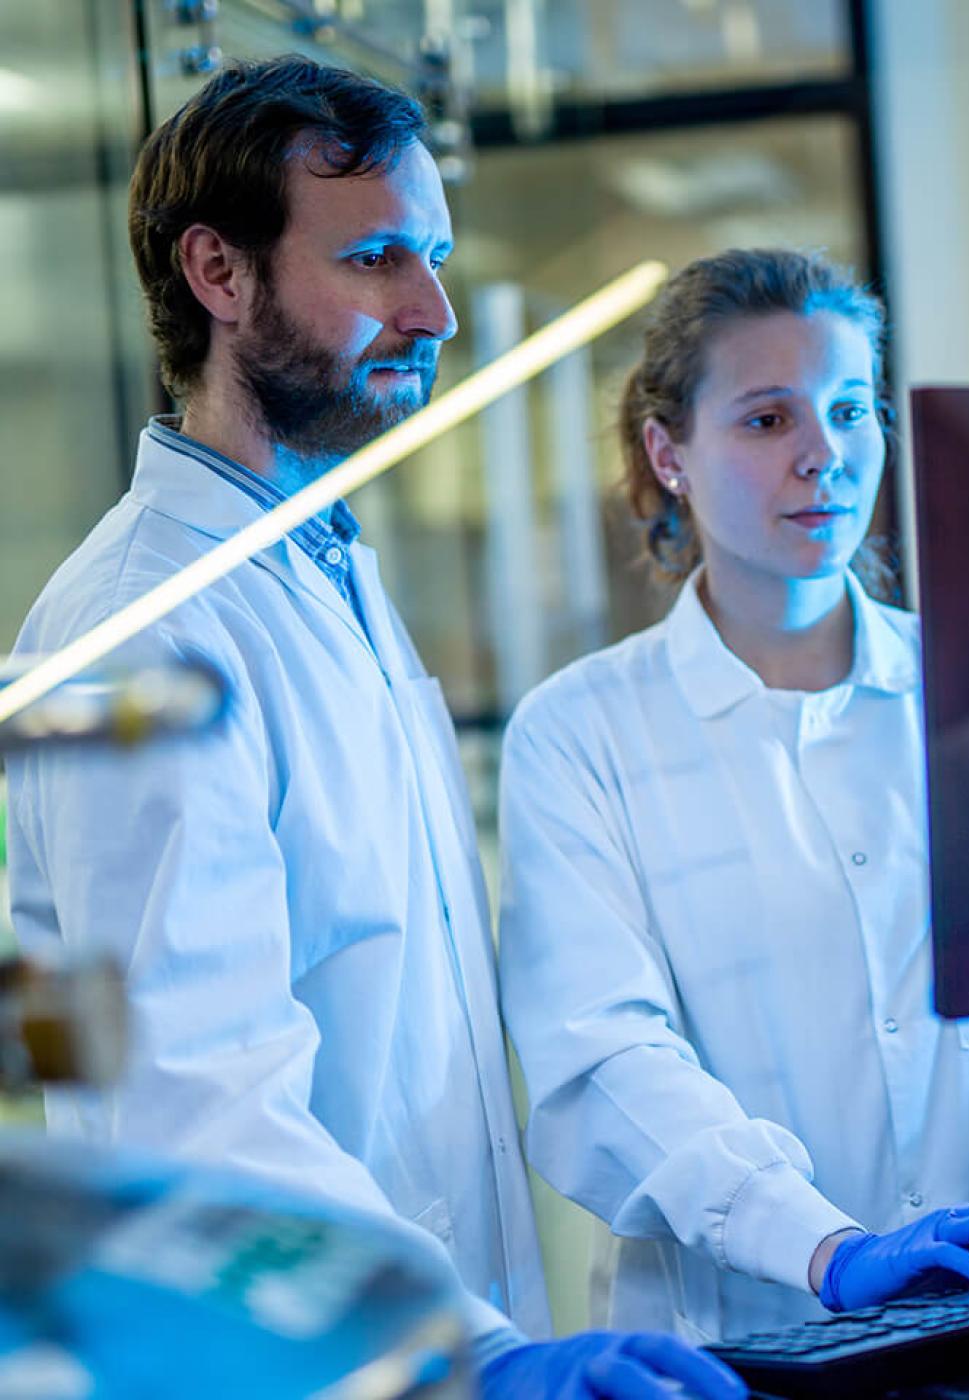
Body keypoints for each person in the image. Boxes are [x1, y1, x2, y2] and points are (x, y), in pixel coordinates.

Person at [3, 56, 742, 1399]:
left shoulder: (326, 565)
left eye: (437, 257)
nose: (437, 310)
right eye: (382, 258)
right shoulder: (145, 626)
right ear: (219, 276)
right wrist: (489, 1357)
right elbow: (200, 1100)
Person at [497, 247, 969, 1343]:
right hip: (758, 1342)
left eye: (849, 409)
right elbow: (603, 1059)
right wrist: (826, 1246)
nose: (823, 456)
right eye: (765, 420)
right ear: (668, 452)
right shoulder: (580, 733)